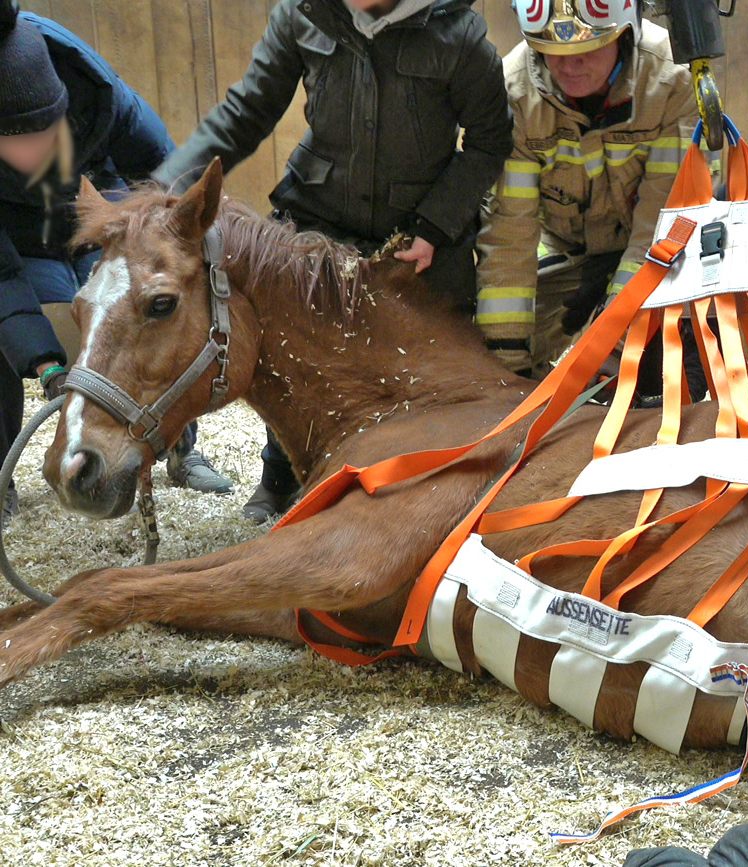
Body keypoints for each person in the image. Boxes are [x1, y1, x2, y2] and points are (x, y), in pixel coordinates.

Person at [153, 0, 513, 522]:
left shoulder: (458, 31)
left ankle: (412, 488)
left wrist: (435, 226)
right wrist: (164, 194)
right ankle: (279, 476)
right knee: (290, 353)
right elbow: (246, 112)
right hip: (319, 214)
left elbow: (490, 139)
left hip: (422, 232)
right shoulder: (301, 15)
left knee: (424, 368)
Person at [0, 3, 233, 527]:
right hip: (18, 238)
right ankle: (0, 475)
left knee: (148, 314)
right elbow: (1, 276)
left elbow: (169, 174)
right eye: (13, 142)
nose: (34, 153)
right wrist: (45, 362)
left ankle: (183, 449)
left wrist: (160, 250)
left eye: (44, 133)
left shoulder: (100, 94)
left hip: (102, 214)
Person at [476, 0, 711, 399]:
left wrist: (610, 343)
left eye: (587, 50)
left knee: (671, 369)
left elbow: (661, 231)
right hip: (568, 255)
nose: (569, 66)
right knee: (542, 367)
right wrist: (505, 372)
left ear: (624, 34)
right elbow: (508, 240)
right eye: (551, 51)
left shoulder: (672, 79)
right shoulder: (515, 91)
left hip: (662, 260)